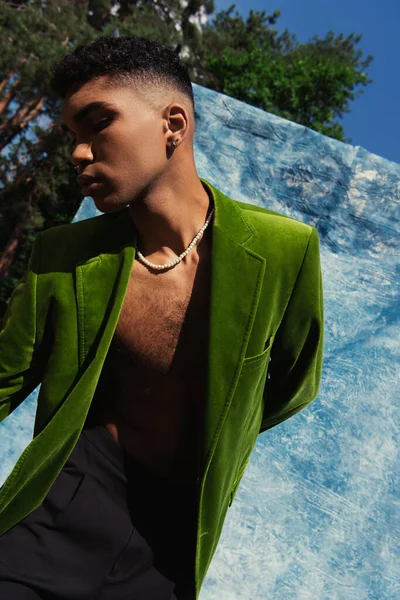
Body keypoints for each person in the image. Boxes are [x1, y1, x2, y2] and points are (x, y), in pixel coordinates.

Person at [0, 35, 324, 600]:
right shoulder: (63, 255)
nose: (79, 152)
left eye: (98, 123)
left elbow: (296, 384)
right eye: (72, 136)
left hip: (175, 535)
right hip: (66, 496)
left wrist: (225, 427)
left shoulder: (283, 251)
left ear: (173, 123)